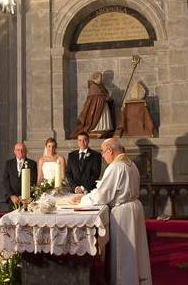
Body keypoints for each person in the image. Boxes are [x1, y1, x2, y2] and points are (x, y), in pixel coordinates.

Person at [74, 137, 151, 284]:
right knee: (135, 252)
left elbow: (103, 195)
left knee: (125, 252)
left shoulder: (115, 167)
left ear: (110, 150)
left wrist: (83, 200)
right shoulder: (131, 164)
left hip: (124, 213)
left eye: (103, 152)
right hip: (134, 208)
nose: (103, 156)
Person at [70, 71, 114, 139]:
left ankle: (103, 129)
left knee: (103, 119)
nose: (102, 79)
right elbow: (96, 98)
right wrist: (105, 97)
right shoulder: (93, 86)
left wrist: (108, 98)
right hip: (97, 107)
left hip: (103, 106)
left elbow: (104, 94)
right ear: (96, 78)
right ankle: (97, 129)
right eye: (100, 77)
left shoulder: (100, 86)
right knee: (97, 119)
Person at [2, 142, 37, 206]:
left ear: (26, 151)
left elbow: (33, 181)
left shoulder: (32, 164)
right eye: (18, 150)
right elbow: (5, 181)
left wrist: (24, 195)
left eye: (22, 150)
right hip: (12, 199)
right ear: (14, 151)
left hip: (26, 199)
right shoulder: (8, 163)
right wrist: (11, 195)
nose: (20, 152)